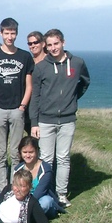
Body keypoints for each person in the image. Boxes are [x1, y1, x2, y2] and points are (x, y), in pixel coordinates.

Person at [30, 28, 90, 207]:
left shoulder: (77, 62)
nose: (53, 48)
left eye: (56, 43)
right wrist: (34, 123)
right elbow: (35, 96)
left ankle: (61, 194)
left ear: (63, 42)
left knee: (63, 158)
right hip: (45, 120)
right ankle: (46, 193)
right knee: (46, 159)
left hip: (67, 119)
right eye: (49, 45)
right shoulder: (40, 67)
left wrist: (73, 98)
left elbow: (85, 81)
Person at [0, 18, 34, 189]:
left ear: (17, 34)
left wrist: (22, 107)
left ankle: (15, 187)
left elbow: (29, 85)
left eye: (13, 33)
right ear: (1, 33)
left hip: (17, 111)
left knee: (16, 153)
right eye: (6, 33)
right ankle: (1, 189)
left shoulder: (24, 56)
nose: (9, 37)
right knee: (0, 154)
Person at [12, 136, 63, 219]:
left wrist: (26, 206)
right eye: (25, 152)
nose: (28, 155)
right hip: (23, 199)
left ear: (37, 151)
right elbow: (15, 189)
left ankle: (27, 217)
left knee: (46, 201)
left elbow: (40, 192)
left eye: (31, 152)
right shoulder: (18, 169)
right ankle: (28, 217)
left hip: (40, 199)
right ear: (20, 152)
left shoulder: (45, 168)